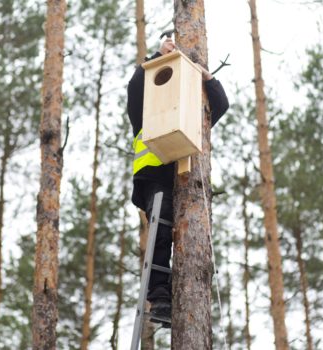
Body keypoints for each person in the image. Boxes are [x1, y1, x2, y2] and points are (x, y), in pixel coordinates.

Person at [127, 38, 229, 325]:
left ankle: (167, 296)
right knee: (160, 233)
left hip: (181, 181)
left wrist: (207, 77)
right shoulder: (144, 113)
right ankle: (159, 297)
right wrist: (159, 55)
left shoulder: (191, 119)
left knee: (171, 231)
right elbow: (136, 83)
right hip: (153, 176)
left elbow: (220, 105)